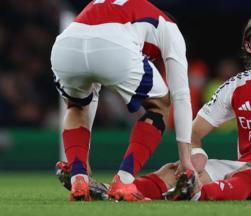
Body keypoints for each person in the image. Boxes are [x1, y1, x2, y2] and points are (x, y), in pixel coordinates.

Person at [56, 9, 251, 201]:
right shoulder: (235, 86)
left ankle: (194, 194)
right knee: (176, 170)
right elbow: (193, 134)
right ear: (248, 47)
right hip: (243, 168)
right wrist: (195, 159)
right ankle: (111, 191)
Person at [50, 0, 195, 201]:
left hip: (65, 45)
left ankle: (78, 179)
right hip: (113, 44)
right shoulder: (170, 28)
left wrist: (80, 163)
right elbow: (181, 94)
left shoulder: (118, 8)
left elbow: (92, 75)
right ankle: (124, 181)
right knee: (159, 104)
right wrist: (186, 160)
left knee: (76, 105)